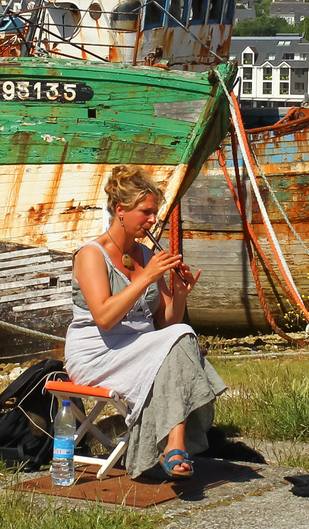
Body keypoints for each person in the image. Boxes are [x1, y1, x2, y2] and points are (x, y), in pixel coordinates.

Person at [64, 166, 226, 479]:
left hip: (140, 349)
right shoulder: (91, 255)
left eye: (155, 212)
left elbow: (166, 323)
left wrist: (179, 293)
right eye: (146, 212)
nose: (153, 220)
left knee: (180, 336)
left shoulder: (145, 253)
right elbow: (105, 317)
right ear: (120, 211)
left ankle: (172, 444)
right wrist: (146, 278)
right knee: (179, 342)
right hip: (98, 353)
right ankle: (170, 445)